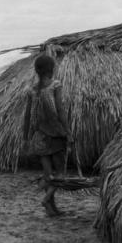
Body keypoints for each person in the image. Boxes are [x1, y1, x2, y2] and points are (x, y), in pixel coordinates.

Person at [22, 54, 72, 216]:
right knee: (60, 173)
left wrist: (25, 138)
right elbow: (60, 111)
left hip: (39, 137)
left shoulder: (32, 91)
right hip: (55, 136)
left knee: (48, 174)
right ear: (51, 69)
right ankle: (47, 199)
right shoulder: (55, 86)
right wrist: (68, 131)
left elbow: (27, 116)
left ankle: (52, 208)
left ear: (37, 71)